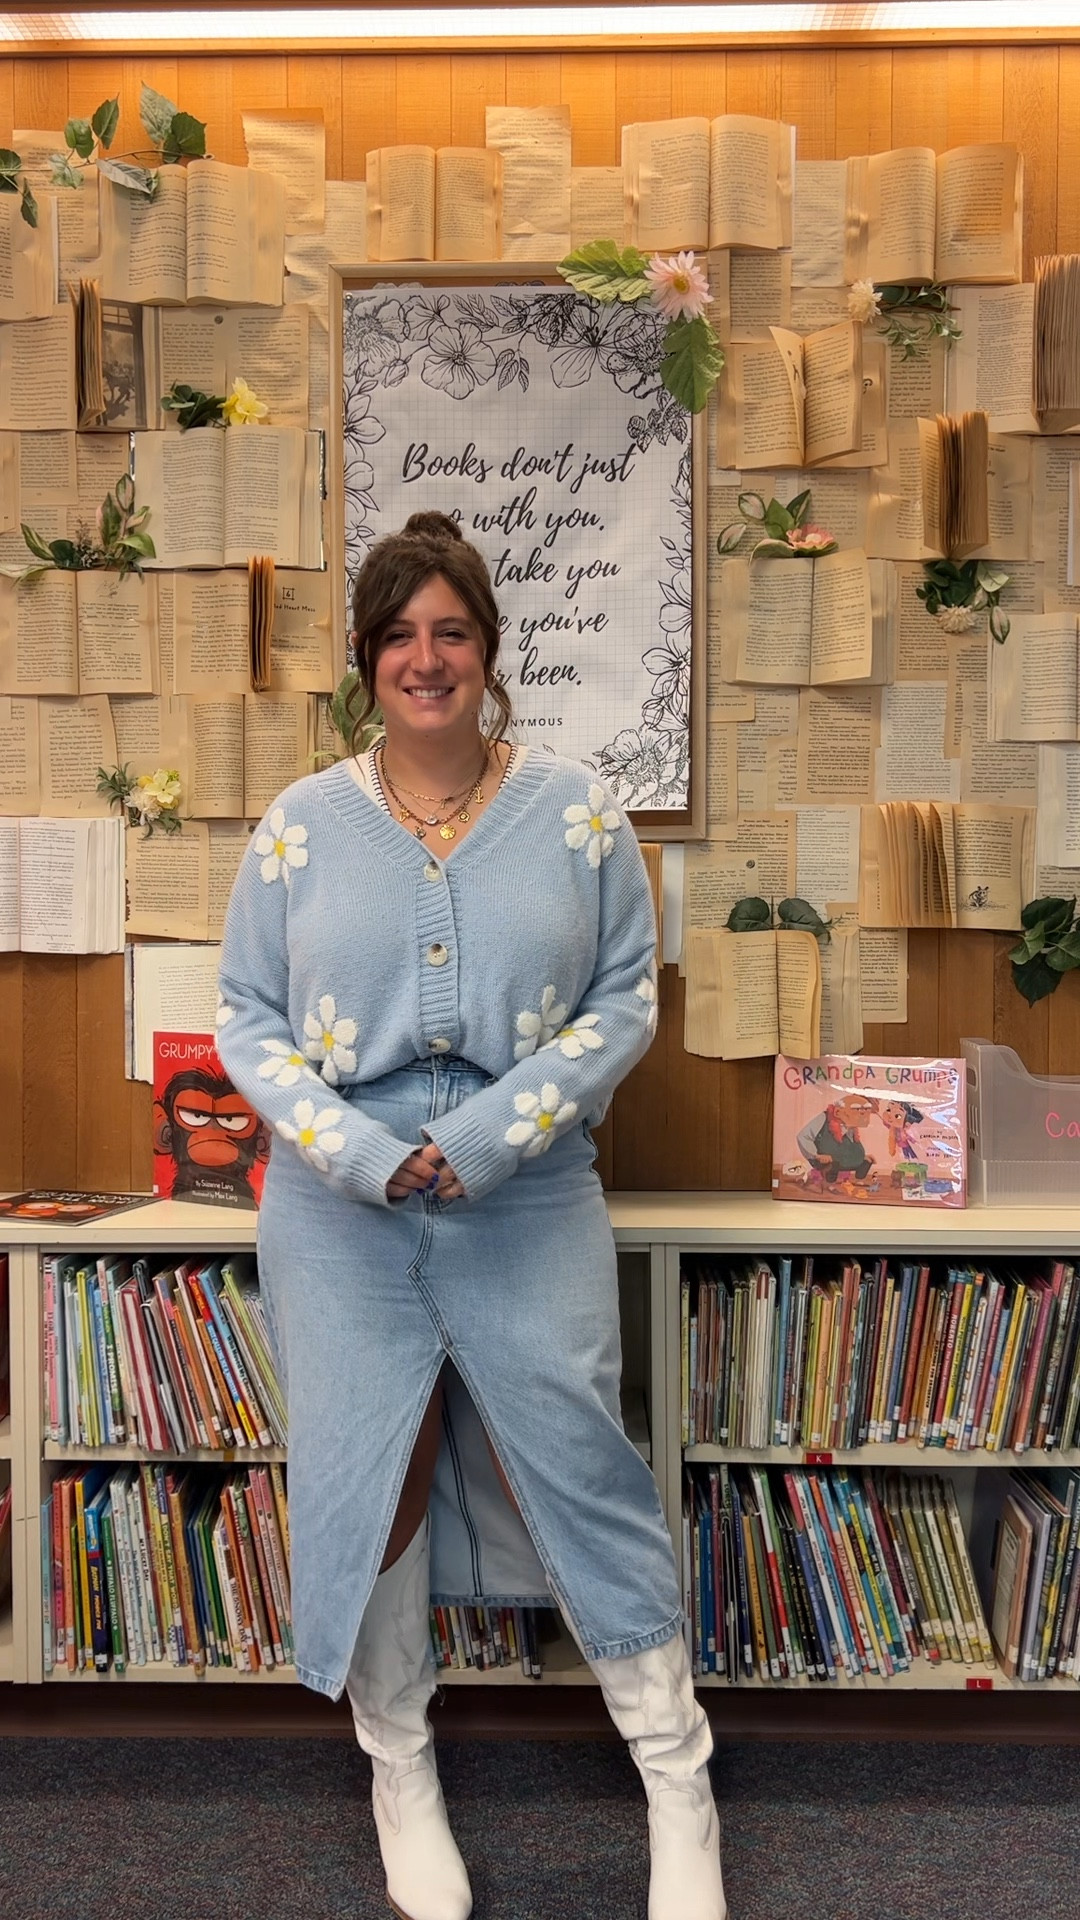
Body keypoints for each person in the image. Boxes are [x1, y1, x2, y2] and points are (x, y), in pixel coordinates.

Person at [216, 511, 726, 1920]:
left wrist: (490, 1132)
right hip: (342, 1210)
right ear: (368, 661)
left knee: (578, 1459)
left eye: (450, 632)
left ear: (489, 653)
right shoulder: (299, 827)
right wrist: (362, 1151)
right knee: (367, 1475)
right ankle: (400, 1766)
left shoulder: (577, 812)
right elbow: (249, 1022)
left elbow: (627, 1001)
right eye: (399, 636)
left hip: (530, 1190)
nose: (425, 658)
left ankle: (676, 1776)